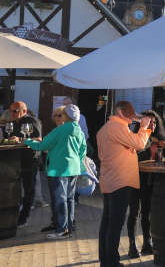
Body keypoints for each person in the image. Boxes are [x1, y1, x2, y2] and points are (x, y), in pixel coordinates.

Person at [96, 101, 152, 267]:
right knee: (115, 224)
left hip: (110, 179)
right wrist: (144, 128)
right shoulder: (116, 127)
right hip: (120, 180)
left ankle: (105, 260)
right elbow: (140, 144)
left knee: (107, 222)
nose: (132, 118)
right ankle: (112, 262)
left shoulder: (106, 129)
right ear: (120, 113)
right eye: (130, 115)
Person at [18, 104, 84, 239]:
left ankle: (62, 230)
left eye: (62, 114)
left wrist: (27, 141)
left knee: (60, 200)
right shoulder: (79, 130)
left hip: (59, 169)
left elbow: (41, 145)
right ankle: (69, 228)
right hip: (74, 168)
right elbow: (83, 151)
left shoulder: (60, 130)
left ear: (66, 116)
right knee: (69, 200)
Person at [127, 110, 165, 258]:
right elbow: (138, 150)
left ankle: (147, 242)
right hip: (135, 177)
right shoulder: (137, 136)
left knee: (147, 212)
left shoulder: (159, 137)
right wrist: (151, 139)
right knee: (134, 212)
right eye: (149, 121)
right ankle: (132, 245)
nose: (153, 124)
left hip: (151, 179)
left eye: (155, 122)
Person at [5, 101, 42, 227]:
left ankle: (24, 217)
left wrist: (20, 139)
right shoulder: (13, 123)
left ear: (24, 111)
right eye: (10, 111)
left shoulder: (32, 121)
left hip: (29, 161)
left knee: (29, 190)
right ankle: (15, 214)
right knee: (14, 189)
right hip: (15, 161)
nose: (12, 113)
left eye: (15, 111)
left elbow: (38, 139)